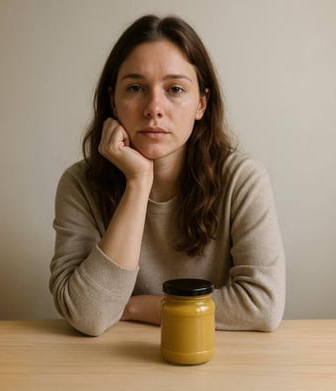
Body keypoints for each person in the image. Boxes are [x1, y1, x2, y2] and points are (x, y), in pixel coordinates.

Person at [49, 14, 285, 336]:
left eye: (175, 88)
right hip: (109, 365)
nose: (154, 108)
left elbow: (262, 306)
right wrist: (138, 182)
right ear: (113, 102)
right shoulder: (79, 185)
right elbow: (88, 314)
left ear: (202, 104)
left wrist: (133, 306)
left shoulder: (242, 180)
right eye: (135, 88)